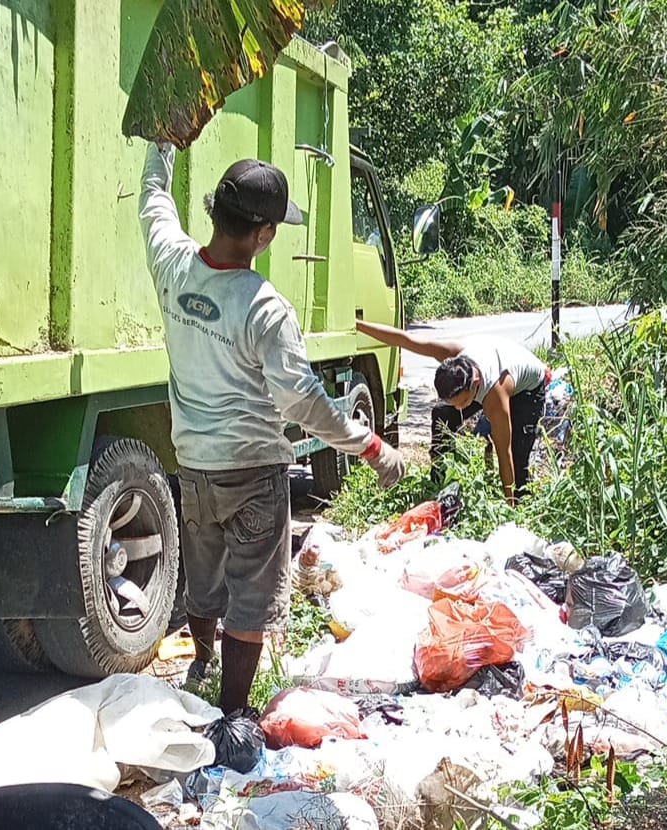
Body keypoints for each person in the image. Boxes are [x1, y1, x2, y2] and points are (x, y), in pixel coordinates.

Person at [139, 143, 405, 714]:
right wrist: (370, 444)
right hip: (253, 471)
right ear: (262, 235)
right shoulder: (265, 308)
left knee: (205, 578)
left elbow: (153, 203)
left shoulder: (171, 263)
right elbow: (303, 402)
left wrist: (161, 142)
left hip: (193, 466)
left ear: (215, 214)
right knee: (252, 599)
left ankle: (203, 667)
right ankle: (232, 717)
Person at [356, 320, 548, 504]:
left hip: (527, 389)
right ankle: (440, 480)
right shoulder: (452, 355)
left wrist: (508, 507)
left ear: (475, 385)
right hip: (489, 360)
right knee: (442, 414)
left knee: (517, 452)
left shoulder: (495, 395)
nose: (459, 408)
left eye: (462, 402)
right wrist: (358, 325)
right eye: (454, 403)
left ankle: (519, 500)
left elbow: (503, 453)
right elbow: (405, 340)